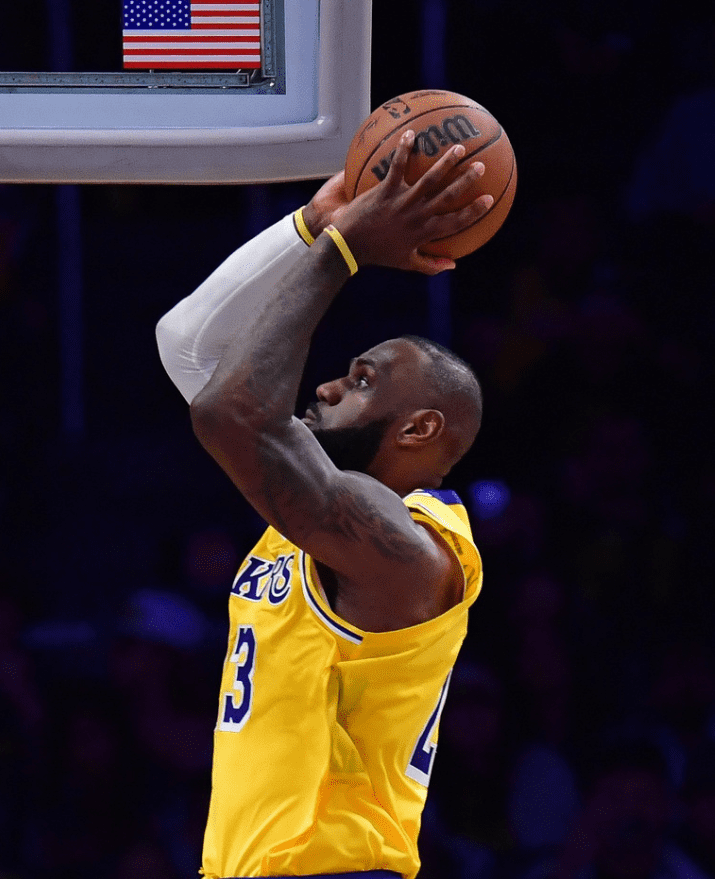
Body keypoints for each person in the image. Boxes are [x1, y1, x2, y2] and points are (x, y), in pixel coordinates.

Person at [154, 131, 491, 878]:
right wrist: (313, 225)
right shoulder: (308, 515)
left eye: (362, 381)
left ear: (419, 429)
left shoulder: (410, 552)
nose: (329, 386)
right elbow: (186, 347)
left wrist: (345, 251)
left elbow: (228, 414)